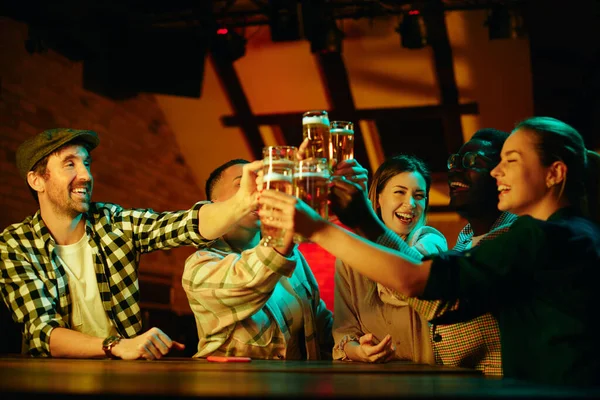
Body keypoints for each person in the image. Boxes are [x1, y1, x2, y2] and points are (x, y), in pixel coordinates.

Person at [258, 116, 600, 386]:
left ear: (555, 173)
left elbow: (424, 285)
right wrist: (363, 220)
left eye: (510, 160)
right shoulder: (567, 233)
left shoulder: (541, 236)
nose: (497, 171)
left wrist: (319, 228)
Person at [0, 128, 262, 360]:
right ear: (37, 180)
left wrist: (244, 202)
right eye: (70, 164)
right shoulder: (14, 244)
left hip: (122, 376)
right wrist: (116, 346)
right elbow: (43, 333)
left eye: (86, 164)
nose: (86, 175)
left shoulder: (113, 223)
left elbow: (185, 224)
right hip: (47, 381)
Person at [375, 129, 517, 375]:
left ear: (501, 175)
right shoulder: (464, 240)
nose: (455, 170)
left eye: (472, 162)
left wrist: (363, 222)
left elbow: (436, 297)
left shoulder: (514, 235)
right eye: (454, 161)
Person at [182, 159, 334, 360]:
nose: (256, 191)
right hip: (234, 386)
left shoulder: (292, 254)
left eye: (260, 183)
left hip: (299, 388)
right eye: (241, 184)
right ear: (214, 204)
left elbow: (320, 320)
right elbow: (249, 279)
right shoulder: (199, 266)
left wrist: (352, 342)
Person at [332, 155, 447, 364]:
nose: (410, 203)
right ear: (378, 198)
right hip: (374, 382)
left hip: (428, 380)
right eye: (399, 192)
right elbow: (344, 331)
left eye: (419, 196)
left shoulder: (431, 241)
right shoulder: (349, 259)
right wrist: (360, 351)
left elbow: (405, 282)